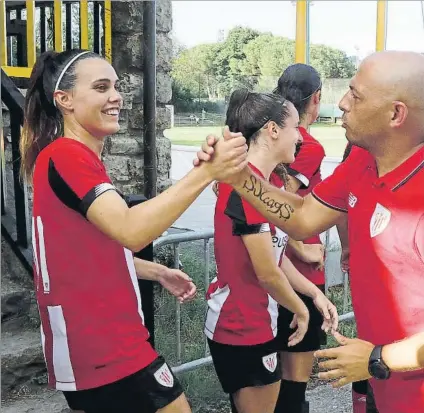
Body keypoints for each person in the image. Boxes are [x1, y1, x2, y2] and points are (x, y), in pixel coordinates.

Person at [20, 49, 248, 413]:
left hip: (102, 342)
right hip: (101, 345)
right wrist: (207, 173)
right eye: (100, 87)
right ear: (64, 100)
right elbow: (131, 230)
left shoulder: (71, 157)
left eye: (115, 85)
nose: (115, 96)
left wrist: (153, 271)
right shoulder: (67, 155)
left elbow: (84, 250)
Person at [195, 50, 424, 413]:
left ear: (396, 114)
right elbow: (301, 216)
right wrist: (235, 174)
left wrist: (381, 357)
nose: (342, 103)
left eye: (356, 95)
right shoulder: (363, 161)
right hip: (379, 380)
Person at [204, 89, 338, 413]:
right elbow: (267, 273)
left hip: (254, 321)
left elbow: (274, 257)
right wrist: (301, 310)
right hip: (241, 325)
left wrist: (313, 295)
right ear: (273, 130)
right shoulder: (246, 188)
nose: (300, 138)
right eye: (294, 128)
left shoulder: (265, 186)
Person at [271, 63, 328, 413]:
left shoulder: (270, 135)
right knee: (293, 388)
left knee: (277, 383)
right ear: (317, 98)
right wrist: (301, 247)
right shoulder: (307, 145)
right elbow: (274, 205)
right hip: (298, 276)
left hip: (273, 273)